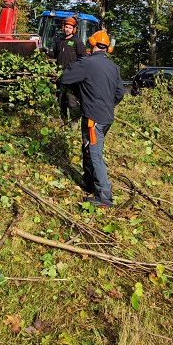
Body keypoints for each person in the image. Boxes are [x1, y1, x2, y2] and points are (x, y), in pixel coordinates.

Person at [60, 30, 124, 208]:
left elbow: (65, 78)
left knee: (95, 153)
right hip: (105, 117)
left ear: (92, 43)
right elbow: (119, 93)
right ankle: (89, 182)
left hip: (93, 118)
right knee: (88, 148)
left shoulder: (87, 63)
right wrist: (105, 104)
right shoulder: (114, 67)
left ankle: (104, 195)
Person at [52, 16, 86, 125]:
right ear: (63, 28)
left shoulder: (77, 42)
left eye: (70, 28)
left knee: (71, 99)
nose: (67, 29)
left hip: (72, 76)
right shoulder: (59, 41)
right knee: (60, 98)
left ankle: (74, 121)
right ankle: (63, 119)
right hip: (60, 75)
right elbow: (55, 55)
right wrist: (45, 52)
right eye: (66, 27)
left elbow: (83, 58)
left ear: (74, 29)